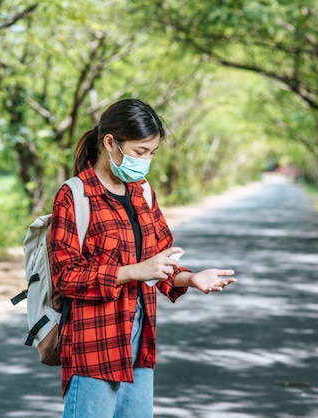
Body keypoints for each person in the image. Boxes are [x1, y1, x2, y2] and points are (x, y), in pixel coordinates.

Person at [50, 98, 236, 418]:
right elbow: (66, 277)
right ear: (110, 142)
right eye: (139, 152)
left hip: (140, 344)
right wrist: (134, 270)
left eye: (152, 153)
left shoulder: (143, 192)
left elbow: (157, 262)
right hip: (95, 344)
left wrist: (190, 278)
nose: (146, 160)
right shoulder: (75, 195)